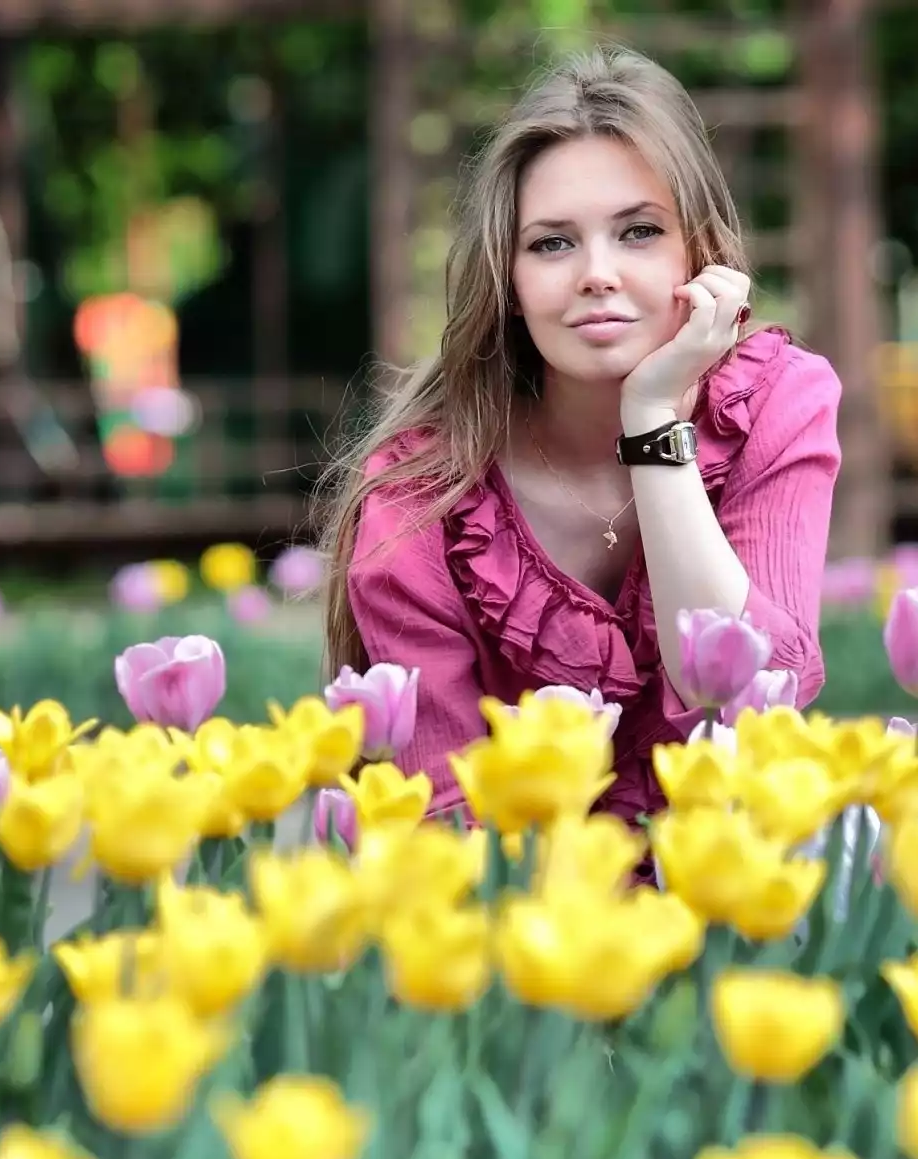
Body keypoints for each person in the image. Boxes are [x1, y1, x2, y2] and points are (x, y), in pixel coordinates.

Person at [316, 45, 843, 827]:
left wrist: (653, 419)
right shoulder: (421, 492)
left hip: (724, 879)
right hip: (515, 891)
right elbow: (443, 814)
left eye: (639, 232)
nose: (597, 273)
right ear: (509, 281)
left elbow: (749, 701)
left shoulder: (775, 404)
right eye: (552, 243)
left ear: (700, 254)